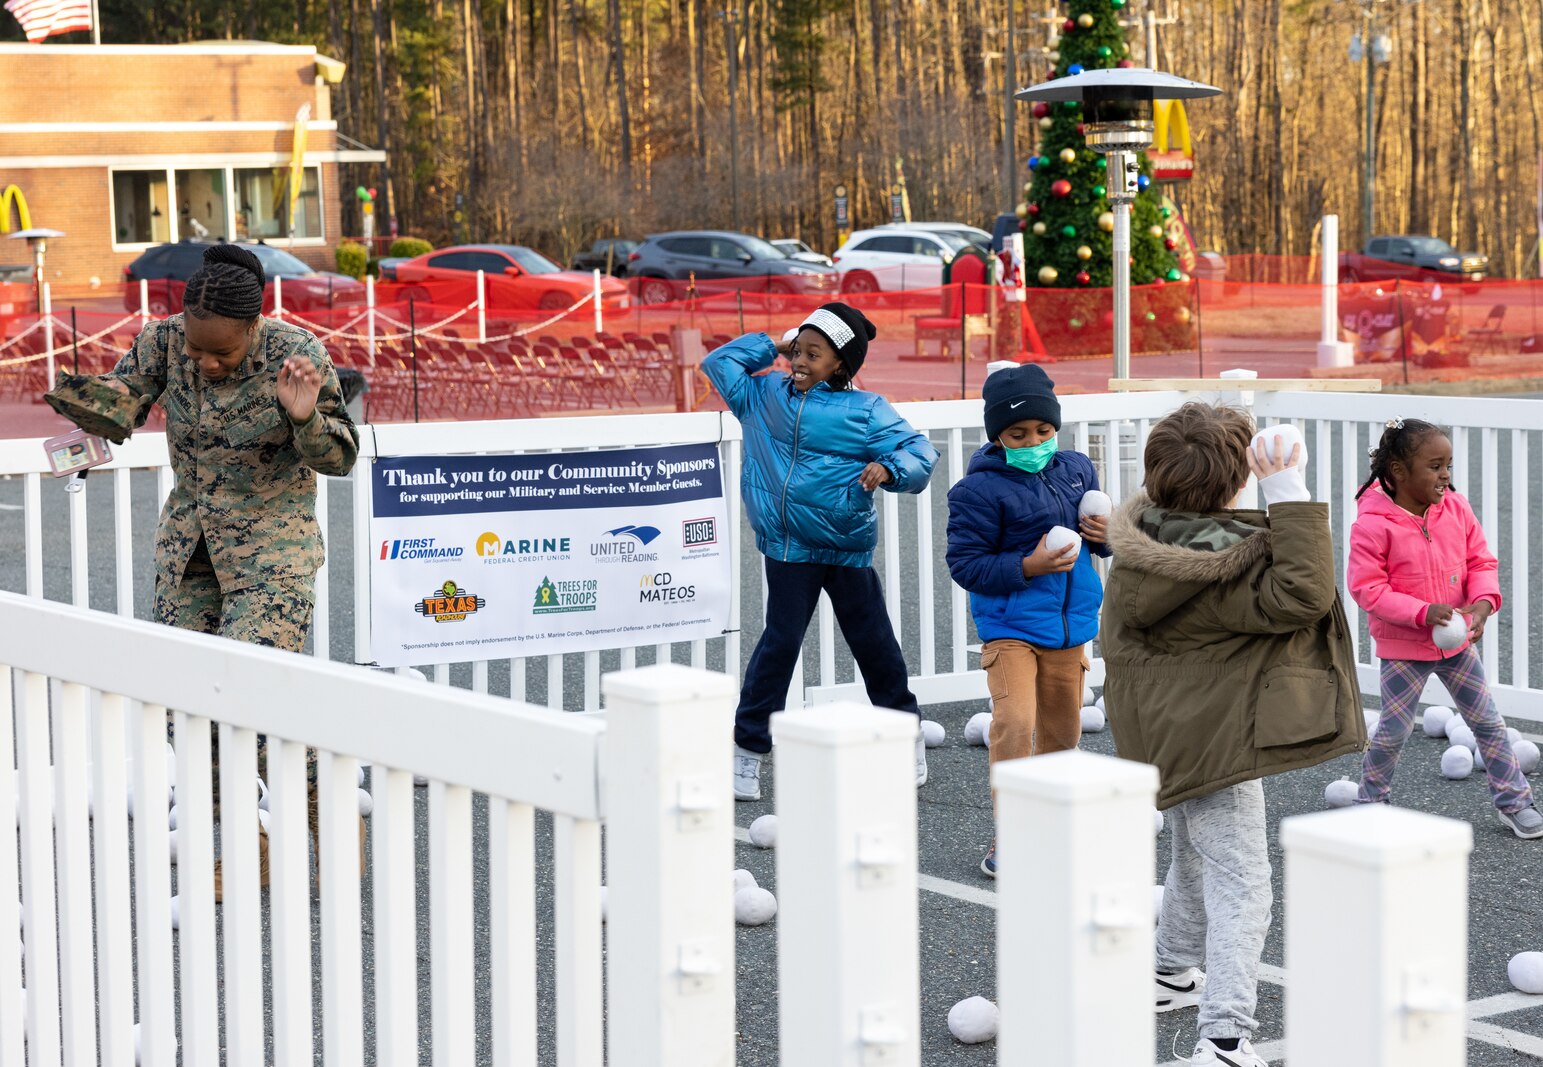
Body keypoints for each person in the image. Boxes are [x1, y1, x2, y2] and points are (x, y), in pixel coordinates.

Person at [1100, 403, 1364, 1067]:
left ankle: (1167, 970)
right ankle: (1223, 1036)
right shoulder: (1222, 558)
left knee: (1195, 852)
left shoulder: (1145, 539)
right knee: (1242, 883)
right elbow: (1302, 593)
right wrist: (1288, 493)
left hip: (1163, 733)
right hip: (1214, 737)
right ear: (1233, 483)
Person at [100, 243, 361, 895]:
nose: (205, 361)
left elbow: (341, 456)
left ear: (255, 328)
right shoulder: (164, 344)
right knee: (185, 709)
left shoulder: (295, 356)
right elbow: (115, 406)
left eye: (223, 352)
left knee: (251, 700)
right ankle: (253, 848)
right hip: (190, 550)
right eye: (197, 347)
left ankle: (327, 818)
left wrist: (304, 419)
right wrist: (86, 411)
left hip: (269, 554)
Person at [703, 302, 939, 801]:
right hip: (788, 548)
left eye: (815, 353)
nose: (801, 360)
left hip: (844, 547)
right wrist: (774, 345)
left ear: (842, 364)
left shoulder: (867, 410)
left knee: (873, 645)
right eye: (799, 350)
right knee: (779, 645)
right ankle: (747, 750)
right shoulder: (763, 395)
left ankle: (905, 735)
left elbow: (920, 452)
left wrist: (890, 468)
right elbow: (718, 364)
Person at [944, 363, 1109, 878]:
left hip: (1069, 629)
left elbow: (1099, 540)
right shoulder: (977, 491)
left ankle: (1053, 823)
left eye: (1043, 430)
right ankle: (1011, 831)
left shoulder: (1078, 468)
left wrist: (1107, 534)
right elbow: (965, 565)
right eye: (1018, 433)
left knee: (1062, 733)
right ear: (997, 434)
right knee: (1015, 723)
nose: (1034, 440)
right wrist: (1028, 566)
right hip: (1010, 630)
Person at [1348, 417, 1542, 837]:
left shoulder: (1455, 506)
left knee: (1488, 723)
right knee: (1394, 733)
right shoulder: (1372, 523)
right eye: (1435, 466)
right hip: (1404, 648)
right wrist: (1421, 612)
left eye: (1448, 465)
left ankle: (1515, 801)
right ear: (1399, 472)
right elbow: (1367, 589)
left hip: (1457, 644)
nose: (1445, 475)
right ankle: (1368, 804)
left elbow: (1480, 561)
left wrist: (1484, 604)